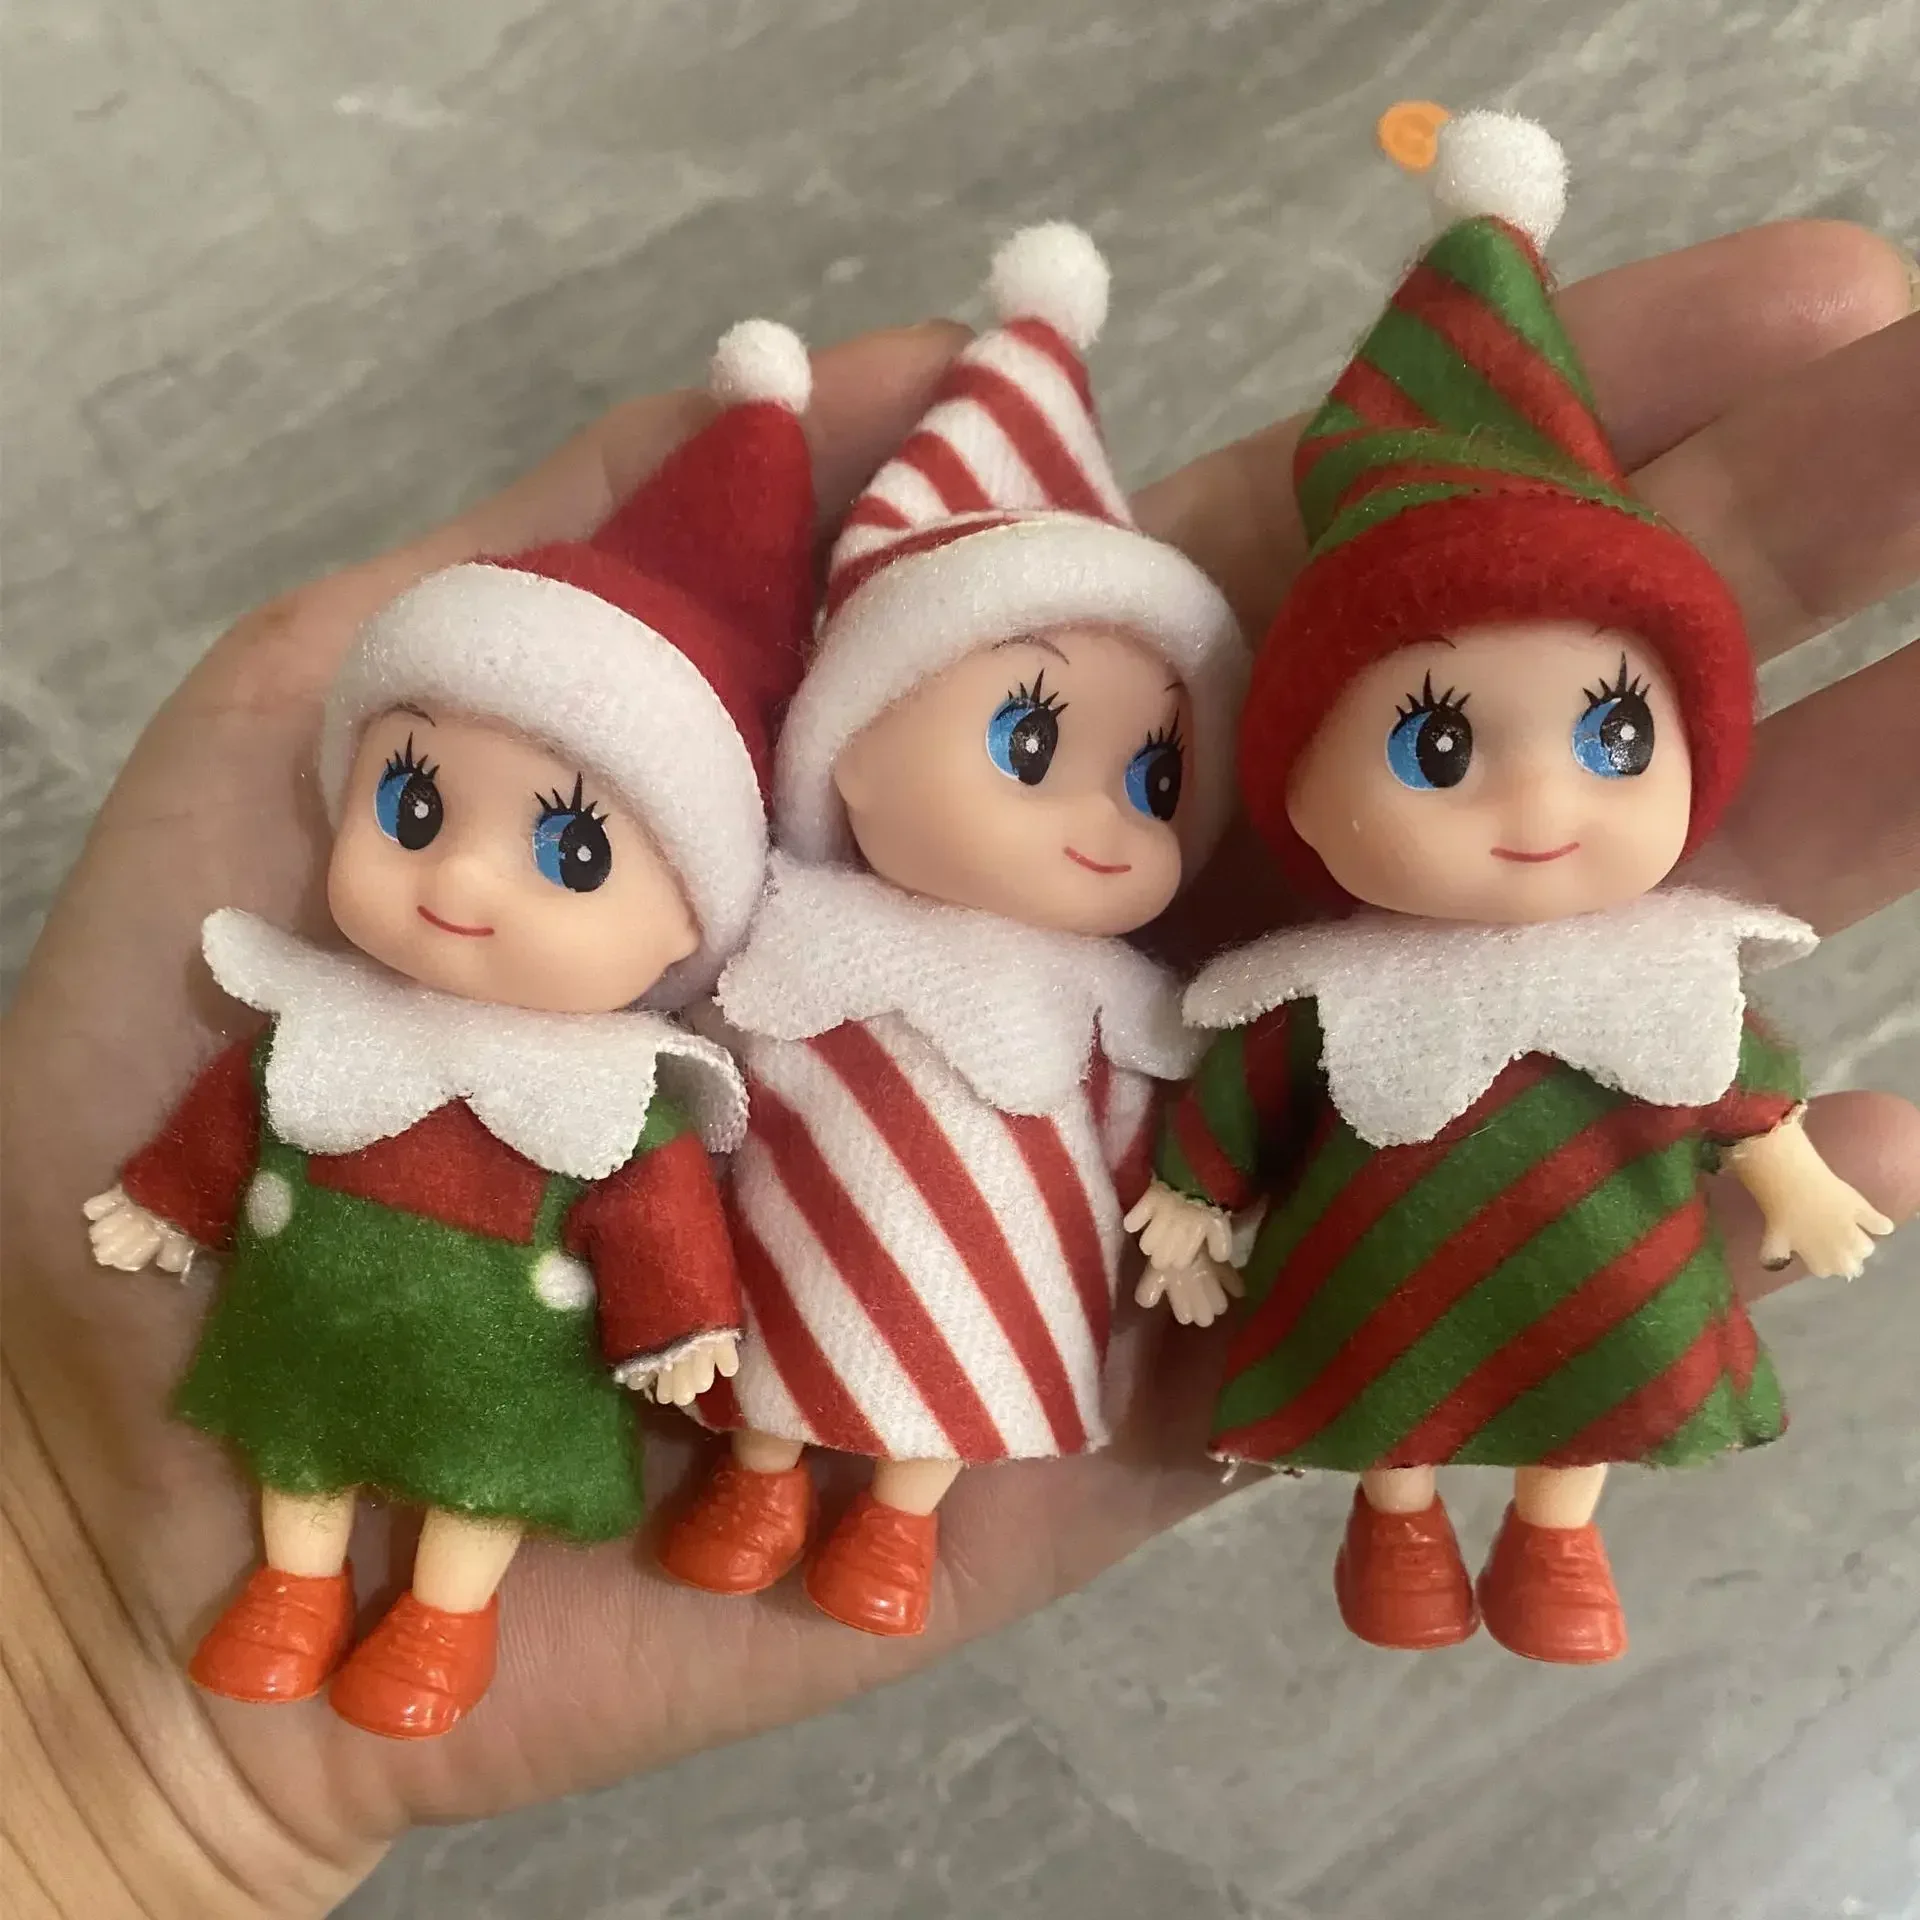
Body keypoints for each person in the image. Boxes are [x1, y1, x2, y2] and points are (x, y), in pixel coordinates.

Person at [2, 221, 1916, 1912]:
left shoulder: (1412, 989)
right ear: (843, 752)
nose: (1533, 806)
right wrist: (683, 1319)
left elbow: (1571, 1093)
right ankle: (733, 1492)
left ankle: (1217, 1528)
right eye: (1441, 745)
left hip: (1195, 1273)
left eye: (1151, 777)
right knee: (750, 1371)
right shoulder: (770, 972)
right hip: (750, 1280)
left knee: (1053, 1387)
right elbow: (685, 1185)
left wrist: (1779, 1175)